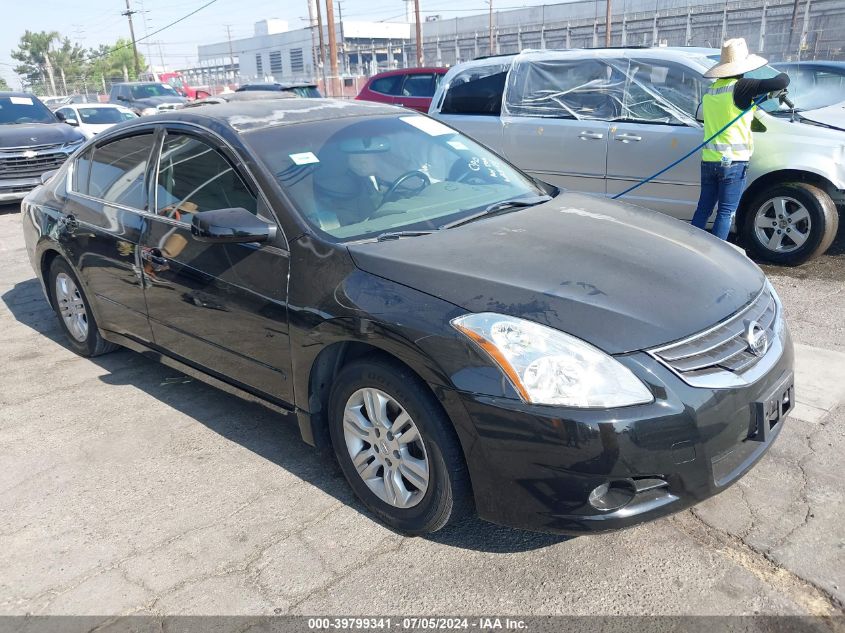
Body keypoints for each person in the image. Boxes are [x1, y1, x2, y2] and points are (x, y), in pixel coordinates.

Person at [691, 38, 790, 240]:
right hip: (733, 163)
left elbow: (709, 114)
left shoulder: (713, 90)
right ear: (742, 66)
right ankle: (718, 255)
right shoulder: (742, 87)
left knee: (703, 210)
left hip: (709, 161)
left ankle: (691, 247)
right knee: (725, 213)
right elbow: (781, 81)